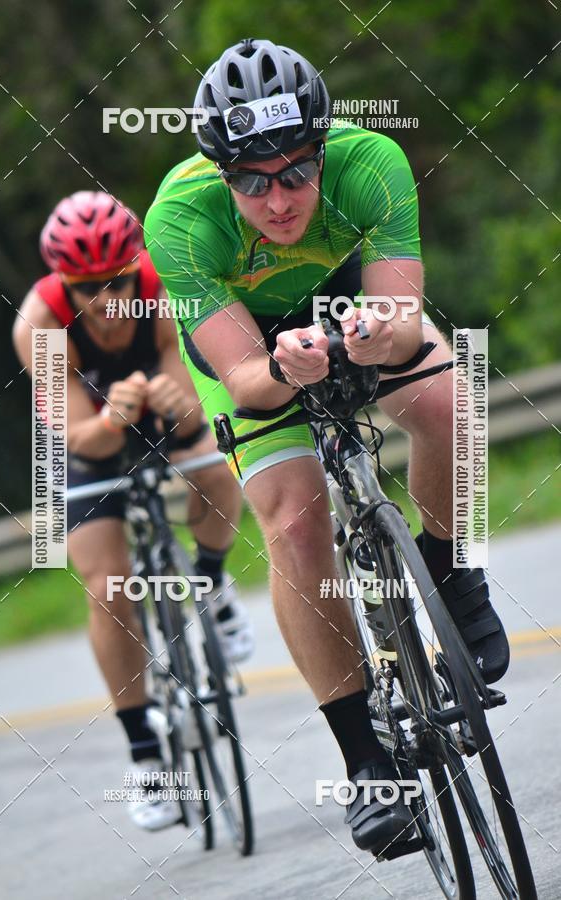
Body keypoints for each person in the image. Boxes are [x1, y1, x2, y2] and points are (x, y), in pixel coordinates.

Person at [144, 38, 510, 854]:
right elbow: (244, 379)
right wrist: (283, 367)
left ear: (322, 148)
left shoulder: (371, 162)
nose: (277, 199)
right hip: (251, 344)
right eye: (250, 181)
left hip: (350, 300)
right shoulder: (178, 219)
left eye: (295, 172)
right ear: (220, 175)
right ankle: (366, 764)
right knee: (293, 521)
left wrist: (380, 337)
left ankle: (453, 575)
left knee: (454, 401)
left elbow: (403, 324)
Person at [12, 190, 253, 830]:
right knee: (107, 588)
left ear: (136, 268)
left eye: (118, 281)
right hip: (82, 437)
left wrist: (179, 406)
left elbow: (197, 414)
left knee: (215, 467)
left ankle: (211, 580)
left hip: (160, 410)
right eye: (88, 287)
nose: (107, 300)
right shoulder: (39, 324)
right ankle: (146, 756)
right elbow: (78, 439)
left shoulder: (163, 287)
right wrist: (111, 417)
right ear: (64, 282)